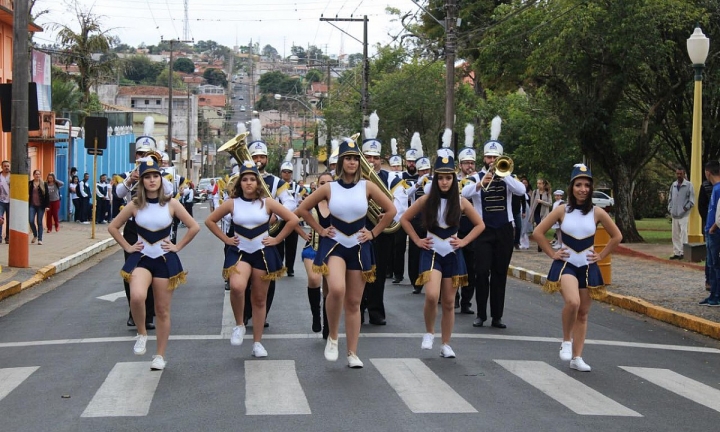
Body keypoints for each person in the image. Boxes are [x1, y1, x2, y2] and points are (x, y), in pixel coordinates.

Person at [296, 138, 396, 368]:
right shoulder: (329, 187)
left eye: (355, 158)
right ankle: (332, 336)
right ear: (340, 162)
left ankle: (352, 352)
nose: (352, 162)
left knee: (354, 302)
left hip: (360, 246)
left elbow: (391, 209)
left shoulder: (367, 186)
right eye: (348, 158)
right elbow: (302, 209)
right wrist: (320, 229)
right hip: (335, 245)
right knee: (337, 289)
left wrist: (373, 233)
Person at [109, 158, 199, 371]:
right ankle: (142, 333)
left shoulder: (172, 203)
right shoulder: (134, 205)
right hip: (141, 258)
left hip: (165, 260)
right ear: (141, 181)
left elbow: (194, 226)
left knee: (162, 309)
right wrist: (129, 247)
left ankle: (159, 355)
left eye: (155, 176)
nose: (151, 180)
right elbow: (113, 227)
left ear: (161, 179)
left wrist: (177, 247)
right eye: (147, 177)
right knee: (137, 296)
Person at [533, 163, 622, 372]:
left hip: (588, 266)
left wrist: (601, 254)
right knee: (572, 302)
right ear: (572, 187)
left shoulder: (597, 212)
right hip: (566, 263)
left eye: (587, 185)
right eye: (578, 185)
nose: (583, 189)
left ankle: (577, 357)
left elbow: (617, 236)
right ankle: (566, 340)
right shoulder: (562, 210)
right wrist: (552, 253)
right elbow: (538, 232)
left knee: (583, 312)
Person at [205, 161, 299, 358]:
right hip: (239, 252)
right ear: (240, 183)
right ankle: (239, 324)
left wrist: (277, 239)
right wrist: (226, 239)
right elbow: (210, 221)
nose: (249, 183)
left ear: (258, 183)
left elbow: (293, 220)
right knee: (237, 286)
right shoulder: (232, 203)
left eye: (252, 180)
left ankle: (257, 342)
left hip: (262, 253)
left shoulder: (268, 203)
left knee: (259, 298)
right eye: (245, 179)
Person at [401, 155, 485, 358]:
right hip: (431, 252)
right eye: (440, 178)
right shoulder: (426, 199)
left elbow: (480, 225)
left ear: (453, 179)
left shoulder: (461, 201)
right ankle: (429, 332)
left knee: (448, 301)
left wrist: (464, 241)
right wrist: (417, 240)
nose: (444, 182)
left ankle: (446, 343)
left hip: (453, 253)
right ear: (435, 179)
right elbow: (404, 219)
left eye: (448, 178)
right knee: (431, 295)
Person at [461, 116, 526, 329]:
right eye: (489, 157)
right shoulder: (475, 177)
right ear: (484, 158)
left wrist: (504, 174)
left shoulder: (508, 176)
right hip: (483, 230)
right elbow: (463, 193)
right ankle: (481, 314)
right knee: (481, 272)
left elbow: (521, 191)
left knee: (499, 274)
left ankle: (497, 316)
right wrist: (481, 183)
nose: (491, 161)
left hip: (505, 230)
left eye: (495, 157)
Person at [242, 118, 298, 326]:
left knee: (267, 276)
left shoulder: (276, 182)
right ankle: (246, 312)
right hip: (243, 234)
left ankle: (261, 314)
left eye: (262, 156)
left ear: (267, 158)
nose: (258, 159)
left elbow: (291, 205)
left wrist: (277, 213)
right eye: (254, 156)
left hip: (269, 235)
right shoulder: (237, 179)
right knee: (243, 278)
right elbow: (226, 207)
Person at [295, 171, 334, 336]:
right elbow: (292, 218)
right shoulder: (311, 203)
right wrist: (304, 234)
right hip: (313, 248)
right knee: (314, 278)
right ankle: (316, 315)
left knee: (329, 288)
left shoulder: (339, 204)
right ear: (317, 186)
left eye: (328, 182)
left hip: (333, 250)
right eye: (322, 183)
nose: (325, 185)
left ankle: (327, 323)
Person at [457, 125, 479, 314]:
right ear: (460, 165)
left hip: (471, 225)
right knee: (454, 261)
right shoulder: (452, 180)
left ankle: (466, 302)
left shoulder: (480, 180)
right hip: (455, 224)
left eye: (472, 162)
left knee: (471, 266)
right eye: (466, 163)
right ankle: (452, 297)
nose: (469, 166)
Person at [700, 160, 720, 307]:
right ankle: (713, 293)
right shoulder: (714, 188)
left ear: (708, 172)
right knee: (711, 265)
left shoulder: (718, 189)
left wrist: (713, 227)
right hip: (710, 230)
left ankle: (717, 295)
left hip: (715, 231)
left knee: (715, 265)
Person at [279, 150, 302, 277]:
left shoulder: (299, 188)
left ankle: (290, 268)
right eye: (284, 172)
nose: (286, 174)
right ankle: (279, 265)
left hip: (292, 219)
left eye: (289, 172)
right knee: (278, 243)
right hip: (279, 219)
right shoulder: (277, 185)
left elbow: (300, 203)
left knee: (291, 244)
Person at [668, 167, 694, 260]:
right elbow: (670, 198)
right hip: (674, 214)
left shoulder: (689, 185)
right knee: (675, 234)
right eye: (677, 174)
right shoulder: (674, 185)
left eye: (680, 174)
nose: (679, 175)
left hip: (684, 214)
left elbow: (691, 201)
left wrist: (684, 208)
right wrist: (670, 208)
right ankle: (676, 252)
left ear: (684, 174)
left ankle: (683, 252)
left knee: (683, 233)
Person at [529, 178, 552, 252]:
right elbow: (532, 204)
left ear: (544, 184)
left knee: (542, 229)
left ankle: (541, 244)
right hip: (536, 212)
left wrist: (542, 201)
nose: (538, 185)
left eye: (540, 183)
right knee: (539, 227)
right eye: (537, 183)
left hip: (544, 213)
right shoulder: (535, 192)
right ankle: (540, 244)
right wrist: (531, 213)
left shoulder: (547, 193)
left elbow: (550, 204)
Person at [699, 178, 713, 291]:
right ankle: (709, 281)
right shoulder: (705, 186)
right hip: (710, 225)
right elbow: (701, 206)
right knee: (710, 255)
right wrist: (708, 220)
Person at [28, 170, 49, 245]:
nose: (37, 175)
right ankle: (35, 234)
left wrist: (47, 206)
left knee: (39, 221)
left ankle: (40, 239)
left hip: (41, 206)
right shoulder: (30, 183)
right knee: (30, 220)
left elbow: (47, 195)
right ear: (33, 175)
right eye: (36, 174)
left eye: (39, 174)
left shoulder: (44, 184)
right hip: (32, 205)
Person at [0, 160, 9, 243]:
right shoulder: (0, 176)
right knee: (0, 219)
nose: (6, 167)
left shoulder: (12, 176)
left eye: (8, 166)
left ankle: (8, 238)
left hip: (10, 202)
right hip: (1, 201)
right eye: (5, 166)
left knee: (10, 220)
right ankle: (0, 237)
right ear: (2, 167)